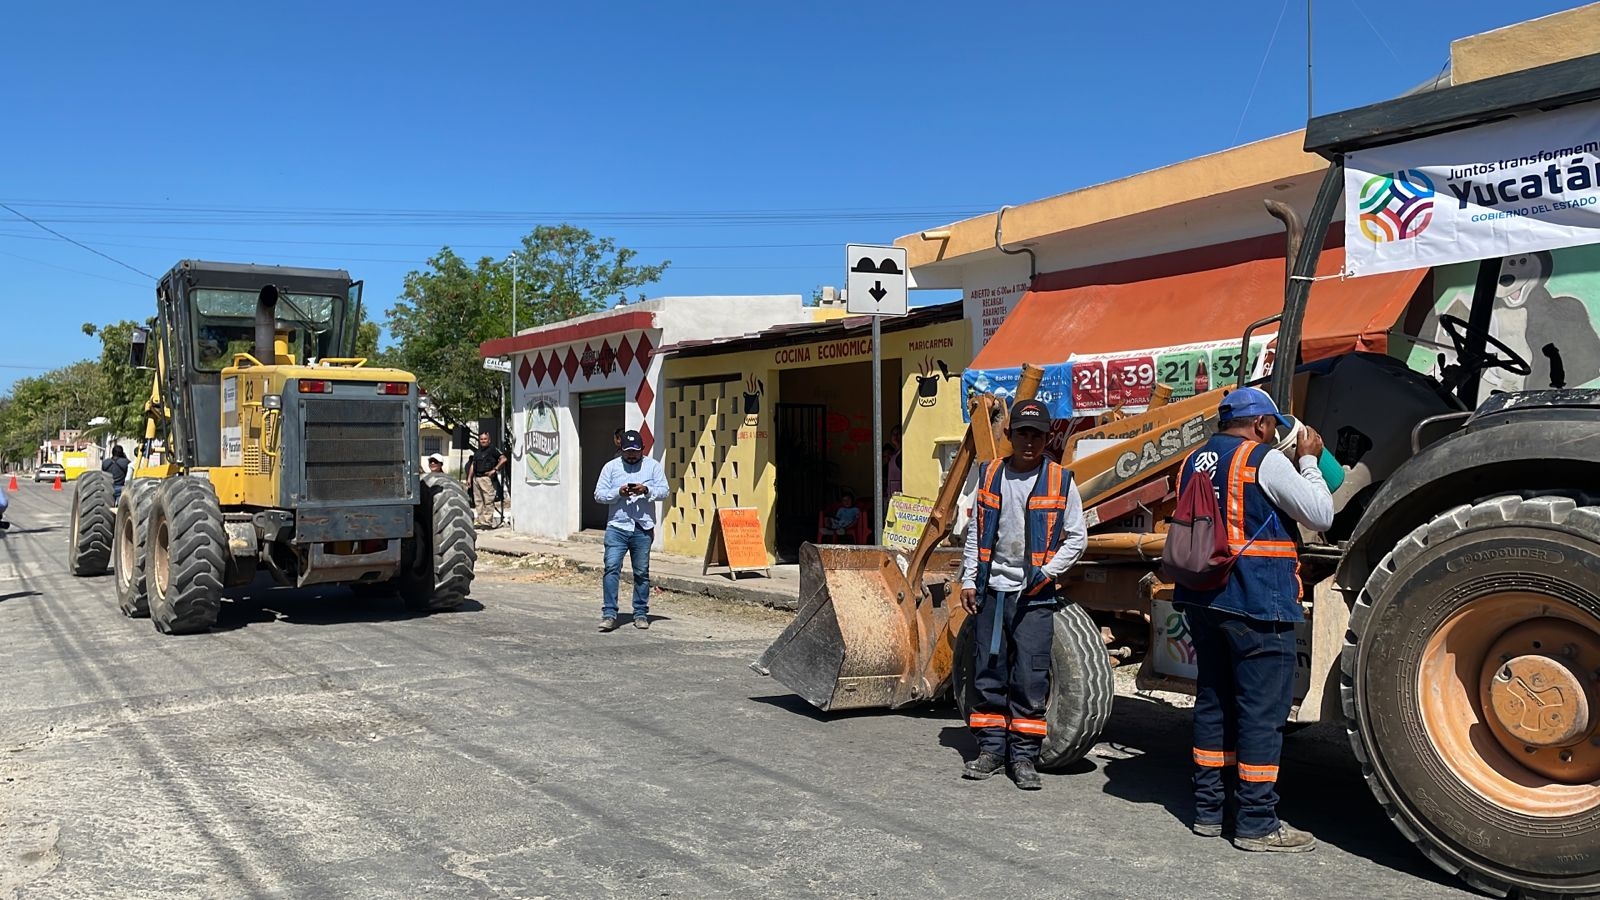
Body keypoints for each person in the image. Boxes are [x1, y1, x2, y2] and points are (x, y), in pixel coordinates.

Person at [1173, 386, 1333, 852]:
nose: (1275, 433)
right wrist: (1307, 459)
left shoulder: (1192, 461)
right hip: (1258, 602)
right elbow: (1320, 514)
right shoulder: (1264, 459)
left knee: (1213, 702)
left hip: (1203, 600)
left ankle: (1207, 811)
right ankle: (1257, 822)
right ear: (1261, 424)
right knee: (1260, 715)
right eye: (1273, 426)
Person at [959, 399, 1087, 790]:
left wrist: (1047, 573)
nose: (1029, 441)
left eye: (1036, 434)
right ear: (1009, 435)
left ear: (1047, 437)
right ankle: (991, 752)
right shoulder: (991, 474)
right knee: (988, 674)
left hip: (1034, 596)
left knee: (1030, 679)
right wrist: (968, 579)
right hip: (992, 592)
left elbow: (1077, 539)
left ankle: (1024, 759)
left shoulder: (1060, 481)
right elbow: (977, 533)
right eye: (1022, 433)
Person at [593, 429, 668, 632]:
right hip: (617, 526)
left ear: (642, 449)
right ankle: (609, 614)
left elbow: (665, 490)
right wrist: (617, 493)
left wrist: (646, 490)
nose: (632, 455)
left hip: (642, 527)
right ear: (621, 450)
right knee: (611, 568)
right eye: (627, 451)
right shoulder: (611, 468)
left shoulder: (653, 466)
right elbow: (598, 494)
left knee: (642, 572)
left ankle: (641, 613)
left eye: (635, 451)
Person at [464, 432, 506, 528]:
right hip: (476, 478)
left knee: (488, 500)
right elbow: (473, 465)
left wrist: (494, 470)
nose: (483, 441)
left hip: (487, 478)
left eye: (485, 439)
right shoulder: (478, 452)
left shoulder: (493, 450)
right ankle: (481, 521)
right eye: (481, 439)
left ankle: (487, 522)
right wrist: (469, 478)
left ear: (489, 440)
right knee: (478, 501)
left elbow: (503, 459)